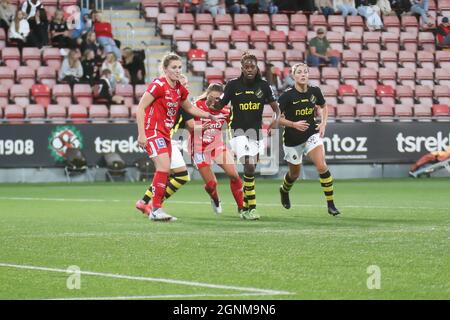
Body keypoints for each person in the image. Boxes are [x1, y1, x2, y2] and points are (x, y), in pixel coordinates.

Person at [136, 53, 224, 221]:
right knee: (163, 167)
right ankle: (155, 209)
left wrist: (209, 115)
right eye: (174, 67)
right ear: (165, 69)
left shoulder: (179, 89)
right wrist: (141, 133)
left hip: (165, 134)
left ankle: (153, 207)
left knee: (166, 169)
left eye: (179, 67)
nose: (177, 71)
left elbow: (190, 108)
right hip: (153, 131)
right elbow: (140, 108)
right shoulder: (158, 85)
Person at [214, 52, 280, 220]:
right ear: (242, 68)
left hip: (256, 133)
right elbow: (220, 105)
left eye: (252, 66)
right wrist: (211, 104)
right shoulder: (232, 85)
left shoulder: (263, 86)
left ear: (257, 67)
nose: (250, 69)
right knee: (249, 166)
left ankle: (244, 207)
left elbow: (277, 109)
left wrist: (275, 122)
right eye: (246, 67)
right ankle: (252, 208)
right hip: (237, 132)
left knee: (250, 172)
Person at [277, 62, 340, 216]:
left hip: (312, 135)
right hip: (292, 140)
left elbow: (323, 107)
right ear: (293, 76)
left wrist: (324, 123)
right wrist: (293, 124)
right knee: (294, 175)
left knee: (321, 166)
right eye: (299, 72)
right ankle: (284, 190)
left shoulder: (315, 91)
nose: (303, 74)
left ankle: (331, 204)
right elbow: (275, 118)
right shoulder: (287, 95)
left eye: (305, 71)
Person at [135, 74, 193, 216]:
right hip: (164, 137)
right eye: (184, 84)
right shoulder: (176, 101)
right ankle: (153, 204)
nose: (186, 88)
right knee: (179, 175)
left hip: (166, 137)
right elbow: (192, 125)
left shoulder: (176, 99)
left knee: (167, 173)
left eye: (187, 85)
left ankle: (145, 202)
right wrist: (211, 124)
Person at [190, 83, 245, 214]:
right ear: (206, 95)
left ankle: (242, 207)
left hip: (217, 145)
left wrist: (236, 145)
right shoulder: (196, 106)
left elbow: (233, 127)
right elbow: (188, 125)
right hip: (199, 148)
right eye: (211, 97)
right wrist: (198, 127)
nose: (214, 101)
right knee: (211, 185)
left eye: (217, 98)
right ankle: (215, 198)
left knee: (234, 175)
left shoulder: (226, 110)